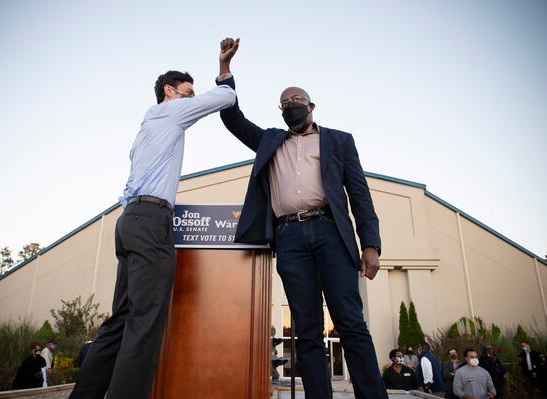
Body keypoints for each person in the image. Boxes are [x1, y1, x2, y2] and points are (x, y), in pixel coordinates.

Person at [216, 37, 387, 399]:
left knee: (351, 323)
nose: (290, 105)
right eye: (284, 102)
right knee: (306, 330)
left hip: (331, 234)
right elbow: (232, 118)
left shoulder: (340, 141)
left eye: (296, 100)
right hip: (290, 239)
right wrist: (225, 70)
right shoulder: (269, 140)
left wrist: (370, 244)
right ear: (280, 111)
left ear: (311, 105)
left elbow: (359, 195)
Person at [69, 67, 236, 399]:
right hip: (151, 219)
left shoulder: (145, 130)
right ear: (170, 91)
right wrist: (225, 74)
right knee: (145, 323)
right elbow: (225, 97)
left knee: (121, 321)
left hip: (130, 219)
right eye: (188, 92)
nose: (192, 97)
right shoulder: (171, 111)